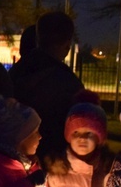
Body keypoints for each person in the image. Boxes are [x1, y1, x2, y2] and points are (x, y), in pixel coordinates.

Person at [9, 11, 84, 160]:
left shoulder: (14, 73)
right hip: (54, 163)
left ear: (38, 38)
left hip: (12, 158)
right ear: (67, 45)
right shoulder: (70, 84)